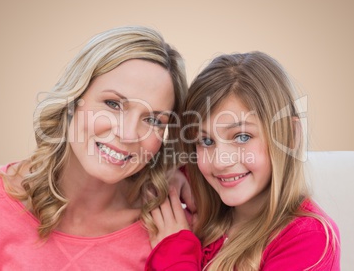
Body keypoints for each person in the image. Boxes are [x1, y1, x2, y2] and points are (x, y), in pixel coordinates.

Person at [0, 25, 191, 270]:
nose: (127, 134)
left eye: (152, 120)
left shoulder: (172, 235)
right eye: (113, 104)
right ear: (73, 101)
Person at [145, 52, 341, 270]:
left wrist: (175, 251)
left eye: (242, 137)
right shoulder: (207, 205)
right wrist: (175, 175)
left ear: (290, 136)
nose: (220, 161)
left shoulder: (307, 238)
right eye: (206, 141)